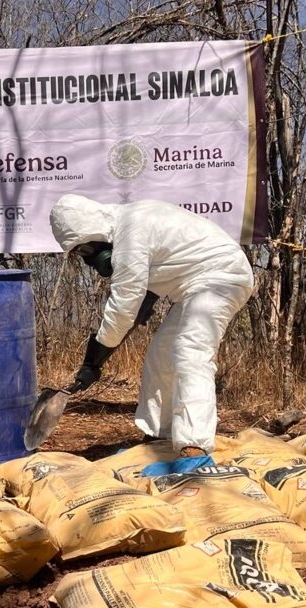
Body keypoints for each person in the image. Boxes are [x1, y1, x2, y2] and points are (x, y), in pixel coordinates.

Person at [49, 194, 254, 470]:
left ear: (92, 232)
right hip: (194, 285)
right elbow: (138, 304)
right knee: (161, 353)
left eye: (85, 251)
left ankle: (194, 450)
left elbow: (123, 308)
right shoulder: (128, 225)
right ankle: (160, 436)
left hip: (222, 277)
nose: (89, 261)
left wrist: (93, 361)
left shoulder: (130, 232)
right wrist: (99, 356)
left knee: (190, 352)